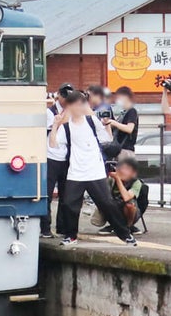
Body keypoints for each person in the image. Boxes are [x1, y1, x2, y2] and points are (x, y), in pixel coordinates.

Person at [51, 90, 135, 245]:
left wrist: (107, 124)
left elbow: (107, 138)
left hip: (94, 170)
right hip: (76, 171)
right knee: (69, 204)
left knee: (107, 204)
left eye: (81, 104)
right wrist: (56, 124)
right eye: (75, 105)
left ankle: (125, 235)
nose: (79, 108)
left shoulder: (91, 121)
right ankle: (71, 236)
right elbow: (53, 144)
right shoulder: (66, 127)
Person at [93, 153, 146, 234]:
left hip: (131, 212)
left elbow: (126, 198)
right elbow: (102, 196)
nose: (122, 171)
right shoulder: (111, 180)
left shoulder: (136, 182)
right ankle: (114, 225)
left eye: (126, 169)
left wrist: (118, 179)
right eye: (120, 168)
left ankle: (128, 227)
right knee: (107, 203)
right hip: (114, 209)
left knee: (129, 205)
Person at [44, 86, 73, 207]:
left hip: (66, 157)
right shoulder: (50, 112)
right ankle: (46, 225)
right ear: (59, 95)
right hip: (51, 156)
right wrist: (68, 110)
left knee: (65, 196)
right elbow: (57, 126)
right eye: (65, 96)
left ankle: (63, 225)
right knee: (47, 194)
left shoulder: (72, 111)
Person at [101, 87, 139, 155]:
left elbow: (129, 129)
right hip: (120, 150)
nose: (117, 101)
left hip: (126, 150)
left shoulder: (132, 111)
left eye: (119, 98)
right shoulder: (123, 113)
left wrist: (114, 123)